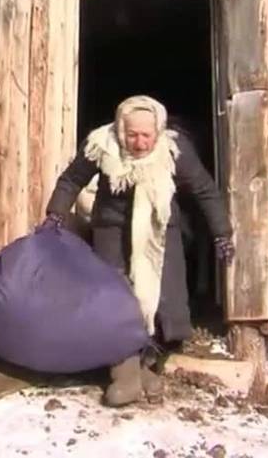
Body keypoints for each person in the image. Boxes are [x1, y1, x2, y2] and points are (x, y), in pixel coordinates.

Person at [44, 95, 235, 407]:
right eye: (132, 135)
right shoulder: (101, 145)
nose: (140, 142)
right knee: (115, 296)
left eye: (147, 135)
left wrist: (221, 234)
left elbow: (204, 190)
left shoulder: (173, 150)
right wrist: (55, 214)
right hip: (112, 229)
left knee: (160, 298)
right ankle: (125, 373)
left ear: (158, 130)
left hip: (158, 232)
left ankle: (144, 368)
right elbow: (71, 180)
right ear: (120, 129)